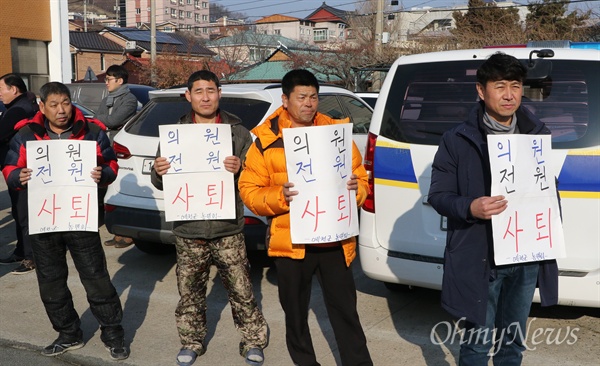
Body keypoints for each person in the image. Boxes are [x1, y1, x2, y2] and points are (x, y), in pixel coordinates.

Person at [427, 52, 559, 365]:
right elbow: (438, 195)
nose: (509, 94)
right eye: (499, 86)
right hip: (480, 254)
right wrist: (470, 206)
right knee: (476, 344)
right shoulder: (457, 139)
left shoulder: (537, 134)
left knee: (513, 345)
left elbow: (548, 193)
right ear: (481, 91)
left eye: (515, 85)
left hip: (524, 255)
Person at [238, 69, 373, 366]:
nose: (309, 104)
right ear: (285, 100)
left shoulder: (336, 133)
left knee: (346, 312)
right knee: (296, 315)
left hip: (335, 240)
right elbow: (248, 190)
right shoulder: (265, 139)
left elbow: (361, 179)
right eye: (302, 97)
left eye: (313, 97)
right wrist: (278, 196)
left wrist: (357, 189)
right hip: (291, 242)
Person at [1, 82, 129, 360]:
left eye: (66, 103)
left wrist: (103, 174)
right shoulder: (25, 134)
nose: (61, 110)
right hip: (44, 219)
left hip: (80, 218)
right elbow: (10, 165)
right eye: (55, 105)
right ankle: (68, 333)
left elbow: (111, 164)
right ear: (42, 107)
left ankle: (112, 332)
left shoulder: (93, 132)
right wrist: (16, 177)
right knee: (50, 281)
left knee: (96, 278)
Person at [150, 70, 268, 366]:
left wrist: (241, 167)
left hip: (228, 225)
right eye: (199, 91)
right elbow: (160, 181)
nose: (206, 97)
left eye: (211, 90)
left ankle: (253, 340)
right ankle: (191, 341)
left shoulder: (237, 132)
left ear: (219, 93)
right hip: (189, 228)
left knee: (242, 289)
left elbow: (255, 178)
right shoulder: (175, 134)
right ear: (188, 95)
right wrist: (158, 171)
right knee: (189, 292)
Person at [95, 64, 138, 249]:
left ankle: (126, 234)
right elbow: (98, 118)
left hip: (122, 149)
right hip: (106, 147)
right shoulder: (107, 99)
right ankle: (117, 232)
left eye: (109, 79)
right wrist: (104, 122)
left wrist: (104, 122)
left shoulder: (129, 99)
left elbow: (113, 120)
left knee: (122, 189)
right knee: (109, 189)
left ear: (119, 81)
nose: (106, 83)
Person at [0, 73, 39, 274]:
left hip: (21, 168)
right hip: (16, 167)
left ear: (14, 89)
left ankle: (31, 257)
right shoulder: (23, 104)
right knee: (18, 211)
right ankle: (21, 250)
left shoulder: (18, 110)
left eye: (1, 90)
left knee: (24, 213)